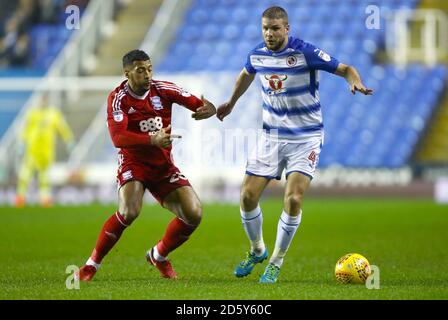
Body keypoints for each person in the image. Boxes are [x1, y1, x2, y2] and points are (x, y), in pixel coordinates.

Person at [217, 6, 373, 283]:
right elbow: (246, 74)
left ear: (287, 29)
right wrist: (231, 102)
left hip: (306, 137)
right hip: (271, 136)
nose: (270, 33)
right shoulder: (256, 54)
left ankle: (275, 261)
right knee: (247, 196)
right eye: (265, 28)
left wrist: (355, 82)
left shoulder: (305, 53)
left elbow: (346, 68)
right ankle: (257, 250)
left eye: (275, 28)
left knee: (293, 198)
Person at [76, 49, 216, 281]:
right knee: (129, 211)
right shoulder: (118, 98)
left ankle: (158, 255)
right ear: (127, 73)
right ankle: (92, 265)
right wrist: (152, 139)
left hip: (163, 166)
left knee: (194, 213)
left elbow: (199, 103)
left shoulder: (164, 89)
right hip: (134, 162)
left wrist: (208, 109)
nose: (148, 74)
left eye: (150, 69)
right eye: (141, 71)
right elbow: (117, 138)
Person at [15, 93, 74, 207]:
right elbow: (26, 129)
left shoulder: (54, 114)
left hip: (46, 152)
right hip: (32, 150)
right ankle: (20, 197)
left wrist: (69, 140)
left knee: (44, 176)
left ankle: (45, 198)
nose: (43, 102)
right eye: (42, 100)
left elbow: (62, 128)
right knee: (25, 174)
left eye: (45, 100)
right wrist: (21, 142)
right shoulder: (32, 114)